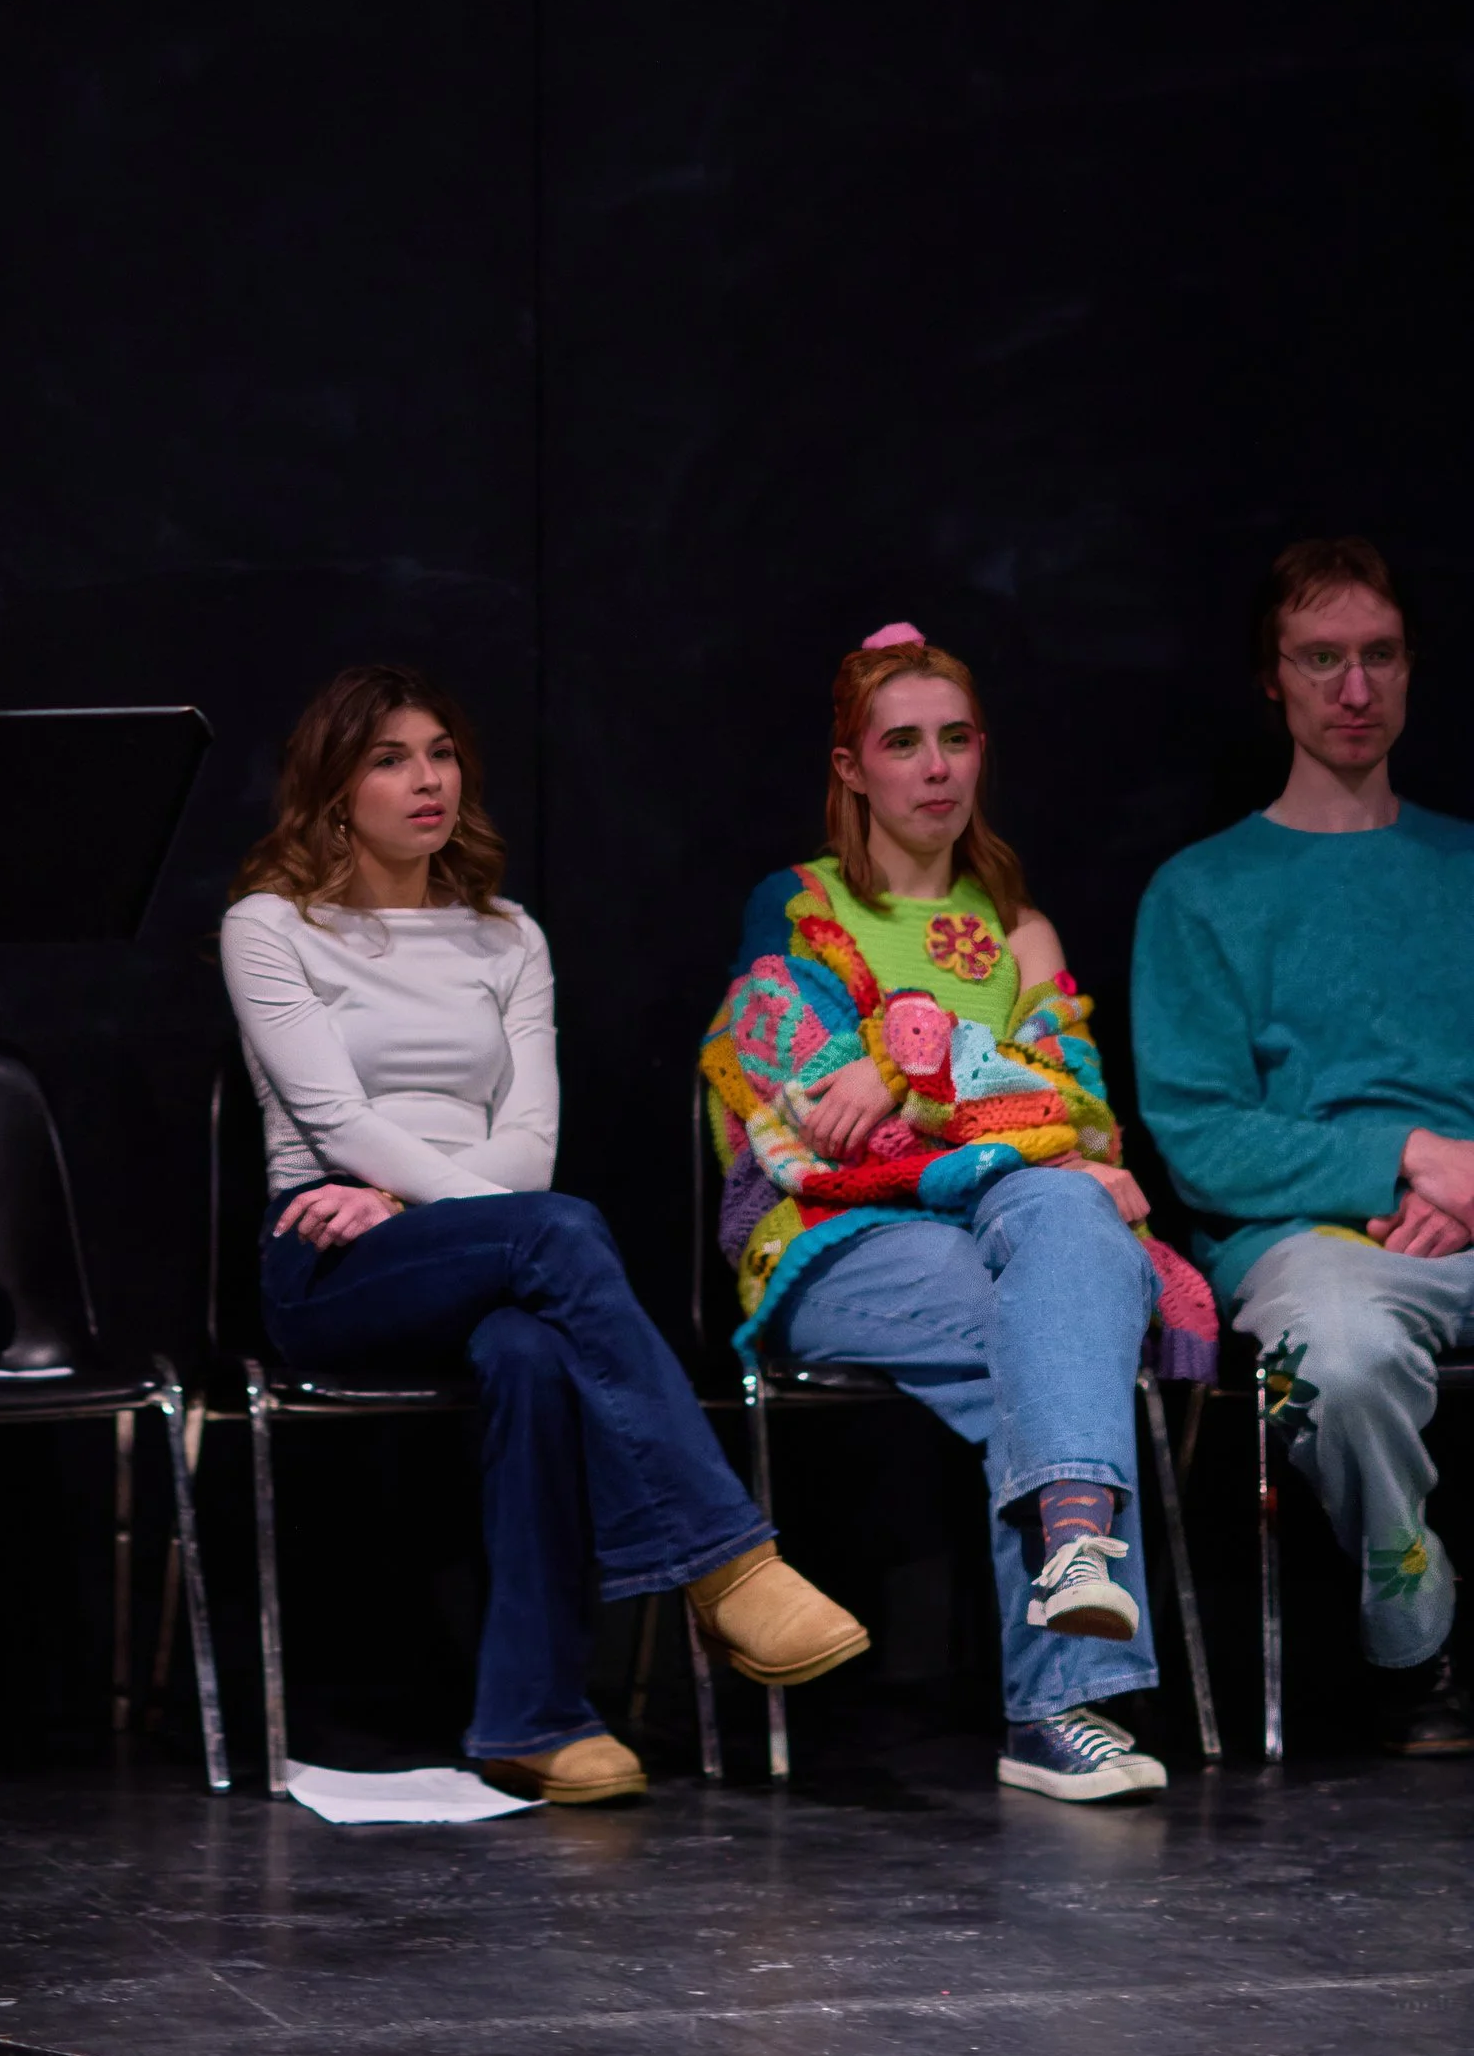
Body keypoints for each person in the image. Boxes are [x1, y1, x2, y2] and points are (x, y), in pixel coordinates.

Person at [222, 663, 866, 1806]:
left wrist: (417, 1202)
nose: (426, 778)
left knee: (529, 1346)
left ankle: (533, 1717)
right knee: (558, 1237)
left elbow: (529, 1146)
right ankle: (728, 1561)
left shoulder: (507, 934)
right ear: (333, 791)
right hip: (329, 1249)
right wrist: (412, 1209)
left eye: (440, 753)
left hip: (477, 1234)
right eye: (389, 759)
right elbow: (336, 1120)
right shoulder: (271, 925)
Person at [703, 625, 1217, 1806]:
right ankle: (1062, 1694)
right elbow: (819, 1125)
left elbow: (1079, 1112)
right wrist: (970, 1092)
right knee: (1061, 1306)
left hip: (1015, 1228)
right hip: (839, 1242)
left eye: (954, 739)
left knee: (1061, 1243)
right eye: (901, 744)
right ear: (851, 767)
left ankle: (1068, 1603)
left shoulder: (1018, 927)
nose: (934, 768)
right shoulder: (798, 910)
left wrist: (905, 1069)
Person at [1134, 537, 1473, 1757]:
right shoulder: (1200, 891)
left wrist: (1465, 1184)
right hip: (1310, 1246)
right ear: (1270, 679)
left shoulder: (1463, 865)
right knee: (1329, 1360)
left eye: (1378, 655)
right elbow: (1199, 1137)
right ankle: (1413, 1634)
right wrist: (1407, 1158)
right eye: (1321, 659)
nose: (1354, 689)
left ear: (1411, 666)